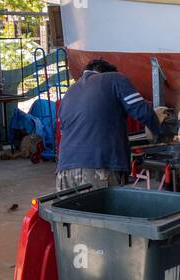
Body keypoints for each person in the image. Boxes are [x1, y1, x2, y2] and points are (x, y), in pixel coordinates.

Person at [55, 59, 168, 190]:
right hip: (99, 168)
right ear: (105, 72)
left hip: (64, 171)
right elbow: (142, 112)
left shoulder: (70, 92)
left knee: (71, 211)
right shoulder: (114, 79)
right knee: (102, 211)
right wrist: (160, 129)